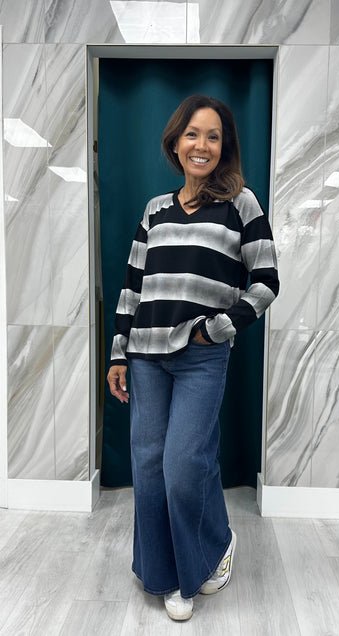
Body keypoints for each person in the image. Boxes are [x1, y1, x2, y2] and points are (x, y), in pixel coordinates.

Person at [107, 94, 279, 621]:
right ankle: (164, 576)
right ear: (176, 142)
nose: (201, 145)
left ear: (224, 147)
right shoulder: (155, 210)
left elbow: (266, 281)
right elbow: (132, 288)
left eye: (213, 136)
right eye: (192, 134)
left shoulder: (241, 204)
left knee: (184, 465)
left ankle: (214, 547)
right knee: (148, 467)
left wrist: (216, 329)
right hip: (145, 356)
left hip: (201, 357)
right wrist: (118, 353)